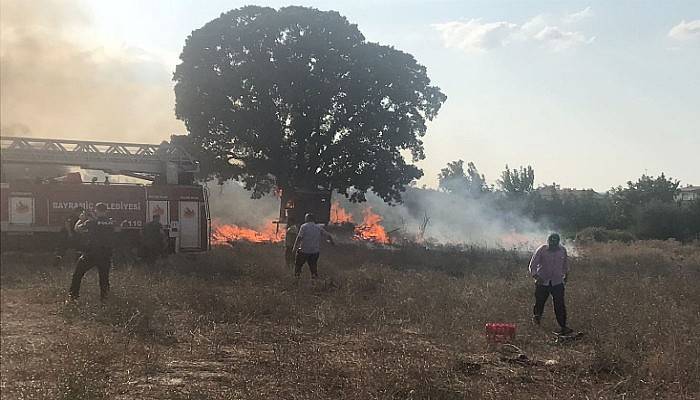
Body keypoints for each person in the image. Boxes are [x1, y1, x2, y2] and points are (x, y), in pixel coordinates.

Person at [528, 233, 573, 335]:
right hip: (542, 282)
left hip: (557, 282)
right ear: (548, 242)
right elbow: (532, 265)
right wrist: (536, 276)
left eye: (555, 243)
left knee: (560, 305)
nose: (553, 245)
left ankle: (563, 326)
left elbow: (565, 265)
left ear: (558, 242)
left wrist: (566, 275)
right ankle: (537, 322)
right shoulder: (542, 250)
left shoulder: (562, 250)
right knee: (540, 303)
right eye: (551, 243)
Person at [69, 203, 115, 301]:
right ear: (106, 211)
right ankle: (104, 300)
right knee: (104, 279)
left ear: (96, 210)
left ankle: (73, 298)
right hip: (106, 254)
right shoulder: (111, 222)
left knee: (77, 274)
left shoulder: (92, 222)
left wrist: (81, 219)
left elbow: (77, 229)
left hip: (92, 253)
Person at [292, 213, 335, 279]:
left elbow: (299, 238)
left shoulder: (304, 226)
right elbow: (328, 235)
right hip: (314, 252)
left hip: (304, 251)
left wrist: (294, 248)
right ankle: (315, 282)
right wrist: (332, 244)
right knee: (313, 269)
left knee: (298, 266)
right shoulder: (318, 227)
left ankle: (296, 281)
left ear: (307, 219)